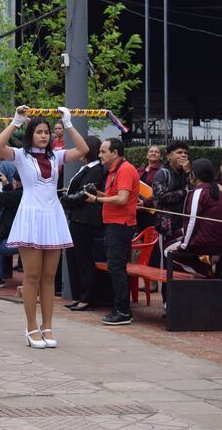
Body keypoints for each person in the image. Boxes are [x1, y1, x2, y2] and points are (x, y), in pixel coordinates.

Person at [0, 106, 88, 348]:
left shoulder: (55, 156)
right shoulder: (21, 155)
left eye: (47, 132)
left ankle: (48, 325)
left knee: (48, 277)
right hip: (31, 216)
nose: (44, 136)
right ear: (30, 134)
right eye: (39, 132)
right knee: (32, 276)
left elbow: (84, 150)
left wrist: (68, 124)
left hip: (52, 215)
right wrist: (16, 121)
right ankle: (31, 326)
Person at [85, 138, 140, 326]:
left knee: (116, 267)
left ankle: (123, 310)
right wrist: (97, 193)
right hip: (113, 224)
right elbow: (114, 196)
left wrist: (97, 200)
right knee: (115, 266)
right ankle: (121, 308)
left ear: (114, 153)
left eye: (103, 151)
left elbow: (123, 199)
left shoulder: (125, 170)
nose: (99, 155)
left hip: (120, 225)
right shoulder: (113, 171)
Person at [60, 136, 104, 312]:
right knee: (73, 257)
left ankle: (87, 297)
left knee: (83, 258)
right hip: (77, 218)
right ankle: (78, 295)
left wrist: (66, 200)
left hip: (85, 219)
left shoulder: (96, 169)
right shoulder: (86, 168)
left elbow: (85, 193)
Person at [164, 158, 222, 279]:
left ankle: (205, 272)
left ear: (194, 175)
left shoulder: (199, 192)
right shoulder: (217, 190)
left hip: (204, 242)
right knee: (176, 236)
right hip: (217, 241)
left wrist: (184, 245)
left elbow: (192, 220)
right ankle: (209, 270)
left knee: (167, 250)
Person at [153, 141, 191, 241]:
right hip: (168, 228)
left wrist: (188, 172)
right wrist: (183, 192)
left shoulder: (187, 171)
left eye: (185, 153)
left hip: (185, 225)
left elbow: (194, 191)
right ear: (169, 156)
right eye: (179, 152)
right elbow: (161, 197)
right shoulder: (162, 173)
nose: (183, 155)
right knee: (166, 255)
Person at [136, 145, 162, 232]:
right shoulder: (140, 170)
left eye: (156, 152)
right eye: (151, 151)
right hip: (138, 209)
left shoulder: (162, 171)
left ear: (160, 156)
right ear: (147, 155)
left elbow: (161, 192)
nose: (153, 153)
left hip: (153, 210)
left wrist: (145, 203)